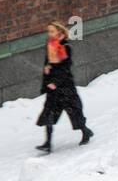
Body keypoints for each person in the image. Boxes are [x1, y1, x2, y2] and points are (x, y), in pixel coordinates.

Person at [36, 20, 93, 154]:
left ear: (59, 32)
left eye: (52, 31)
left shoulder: (65, 46)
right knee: (48, 113)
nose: (49, 34)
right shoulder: (50, 46)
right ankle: (48, 143)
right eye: (48, 31)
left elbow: (65, 68)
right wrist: (47, 74)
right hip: (53, 88)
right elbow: (48, 63)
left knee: (74, 112)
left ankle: (86, 132)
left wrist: (56, 81)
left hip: (65, 87)